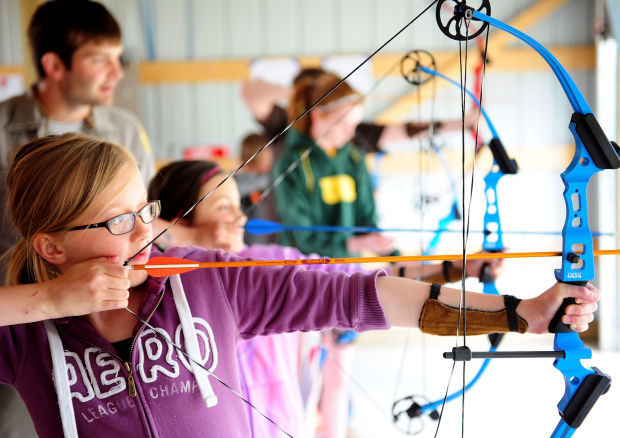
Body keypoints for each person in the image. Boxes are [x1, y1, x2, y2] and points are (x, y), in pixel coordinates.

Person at [0, 133, 598, 437]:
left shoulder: (208, 283)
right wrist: (50, 301)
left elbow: (362, 293)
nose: (144, 232)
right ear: (52, 247)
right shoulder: (22, 334)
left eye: (145, 211)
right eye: (119, 221)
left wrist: (519, 314)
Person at [147, 159, 498, 437]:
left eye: (238, 205)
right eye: (224, 207)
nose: (240, 217)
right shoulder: (157, 293)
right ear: (180, 220)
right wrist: (183, 239)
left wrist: (456, 269)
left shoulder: (272, 262)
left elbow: (367, 282)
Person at [0, 2, 156, 436]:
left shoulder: (125, 129)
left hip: (105, 324)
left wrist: (200, 234)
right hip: (14, 323)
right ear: (54, 64)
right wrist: (46, 295)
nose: (116, 72)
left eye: (117, 57)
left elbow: (143, 224)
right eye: (98, 59)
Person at [235, 132, 280, 245]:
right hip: (248, 240)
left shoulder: (265, 179)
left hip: (266, 240)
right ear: (252, 160)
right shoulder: (239, 182)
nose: (270, 161)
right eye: (266, 158)